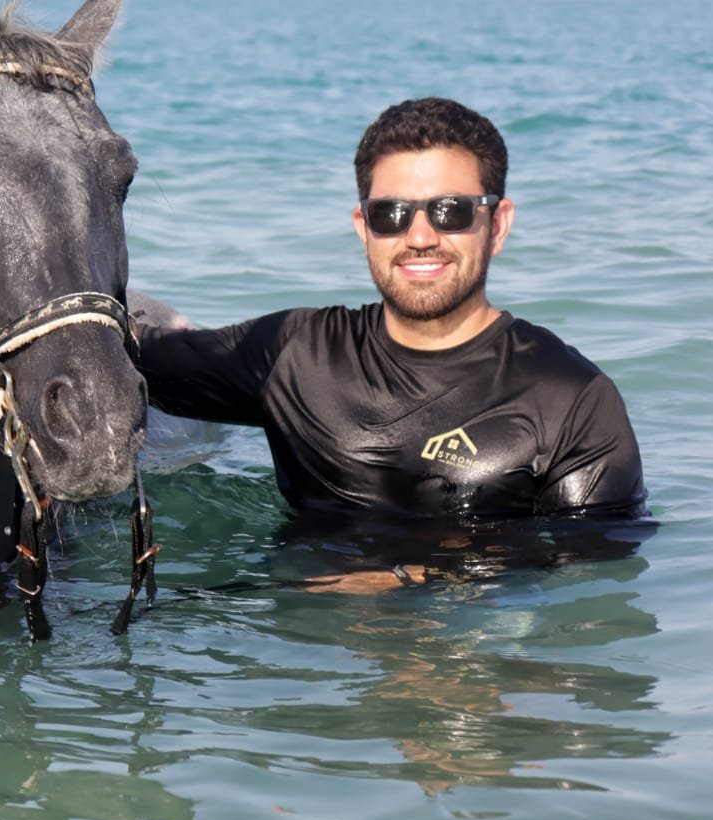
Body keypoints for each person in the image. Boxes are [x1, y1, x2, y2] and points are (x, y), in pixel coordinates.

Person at [135, 97, 645, 586]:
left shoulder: (570, 398)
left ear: (498, 224)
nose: (419, 237)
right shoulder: (294, 356)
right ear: (364, 227)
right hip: (310, 632)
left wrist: (413, 577)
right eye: (391, 214)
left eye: (451, 211)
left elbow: (598, 558)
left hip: (477, 635)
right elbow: (127, 354)